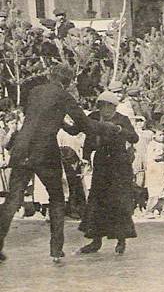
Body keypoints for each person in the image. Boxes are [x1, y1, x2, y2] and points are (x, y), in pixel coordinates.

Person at [0, 66, 123, 264]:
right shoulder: (64, 96)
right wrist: (109, 128)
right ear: (68, 81)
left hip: (22, 148)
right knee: (56, 199)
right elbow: (86, 126)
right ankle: (56, 250)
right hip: (44, 151)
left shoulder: (35, 91)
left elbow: (40, 118)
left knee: (13, 200)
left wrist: (63, 124)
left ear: (50, 75)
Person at [69, 91, 139, 255]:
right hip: (101, 163)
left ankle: (121, 240)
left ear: (114, 107)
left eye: (109, 106)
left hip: (119, 164)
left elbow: (134, 138)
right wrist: (85, 158)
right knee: (97, 201)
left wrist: (120, 130)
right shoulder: (94, 117)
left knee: (118, 201)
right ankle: (95, 241)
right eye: (102, 106)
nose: (105, 110)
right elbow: (83, 134)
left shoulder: (122, 119)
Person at [144, 127, 164, 218]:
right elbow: (154, 157)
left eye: (163, 135)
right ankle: (150, 210)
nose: (162, 137)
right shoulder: (152, 145)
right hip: (155, 171)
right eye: (160, 135)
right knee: (155, 191)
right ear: (154, 136)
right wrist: (162, 156)